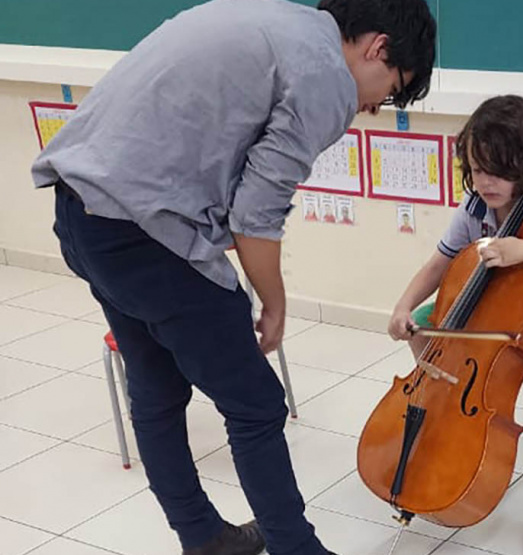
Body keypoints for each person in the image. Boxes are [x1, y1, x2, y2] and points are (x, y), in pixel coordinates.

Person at [31, 0, 436, 554]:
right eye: (390, 90)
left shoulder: (280, 22)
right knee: (256, 404)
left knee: (156, 387)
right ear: (378, 48)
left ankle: (204, 539)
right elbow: (255, 216)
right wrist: (275, 302)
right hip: (143, 234)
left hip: (81, 212)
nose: (370, 108)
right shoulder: (324, 74)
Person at [386, 95, 523, 537]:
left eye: (498, 171)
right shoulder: (474, 207)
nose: (486, 182)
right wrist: (403, 306)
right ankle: (450, 419)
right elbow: (439, 263)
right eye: (477, 169)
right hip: (490, 301)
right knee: (425, 328)